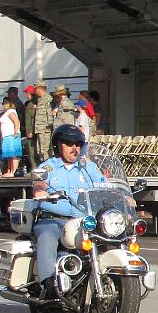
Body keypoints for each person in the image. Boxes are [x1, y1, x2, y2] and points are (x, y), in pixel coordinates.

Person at [32, 124, 107, 299]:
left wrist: (123, 196)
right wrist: (39, 190)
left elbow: (104, 184)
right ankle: (49, 283)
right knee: (48, 235)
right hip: (54, 219)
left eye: (78, 144)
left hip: (84, 221)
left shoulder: (88, 167)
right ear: (59, 145)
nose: (75, 148)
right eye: (69, 143)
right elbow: (39, 183)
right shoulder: (49, 166)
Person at [0, 97, 22, 177]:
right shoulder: (6, 112)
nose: (3, 105)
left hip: (12, 135)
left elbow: (16, 121)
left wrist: (15, 131)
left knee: (13, 154)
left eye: (4, 103)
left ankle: (14, 171)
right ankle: (9, 171)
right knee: (9, 155)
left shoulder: (10, 112)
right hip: (6, 136)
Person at [33, 81, 54, 163]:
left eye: (36, 89)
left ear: (40, 88)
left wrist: (48, 126)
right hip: (39, 129)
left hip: (45, 129)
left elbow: (49, 114)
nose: (35, 91)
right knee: (40, 150)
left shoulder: (47, 99)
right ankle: (43, 165)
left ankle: (48, 167)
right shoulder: (39, 99)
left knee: (45, 150)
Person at [23, 85, 38, 171]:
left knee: (32, 151)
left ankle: (34, 169)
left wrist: (29, 131)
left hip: (32, 131)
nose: (26, 95)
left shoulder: (32, 105)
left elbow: (31, 120)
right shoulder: (32, 104)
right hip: (33, 131)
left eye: (26, 93)